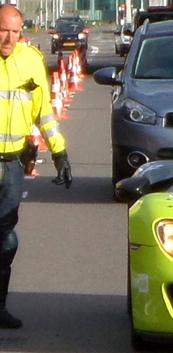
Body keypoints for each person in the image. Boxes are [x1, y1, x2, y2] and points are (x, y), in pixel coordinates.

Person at [0, 4, 72, 329]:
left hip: (13, 164)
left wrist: (60, 153)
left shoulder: (30, 61)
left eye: (15, 32)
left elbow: (43, 112)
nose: (9, 38)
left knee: (6, 240)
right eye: (3, 30)